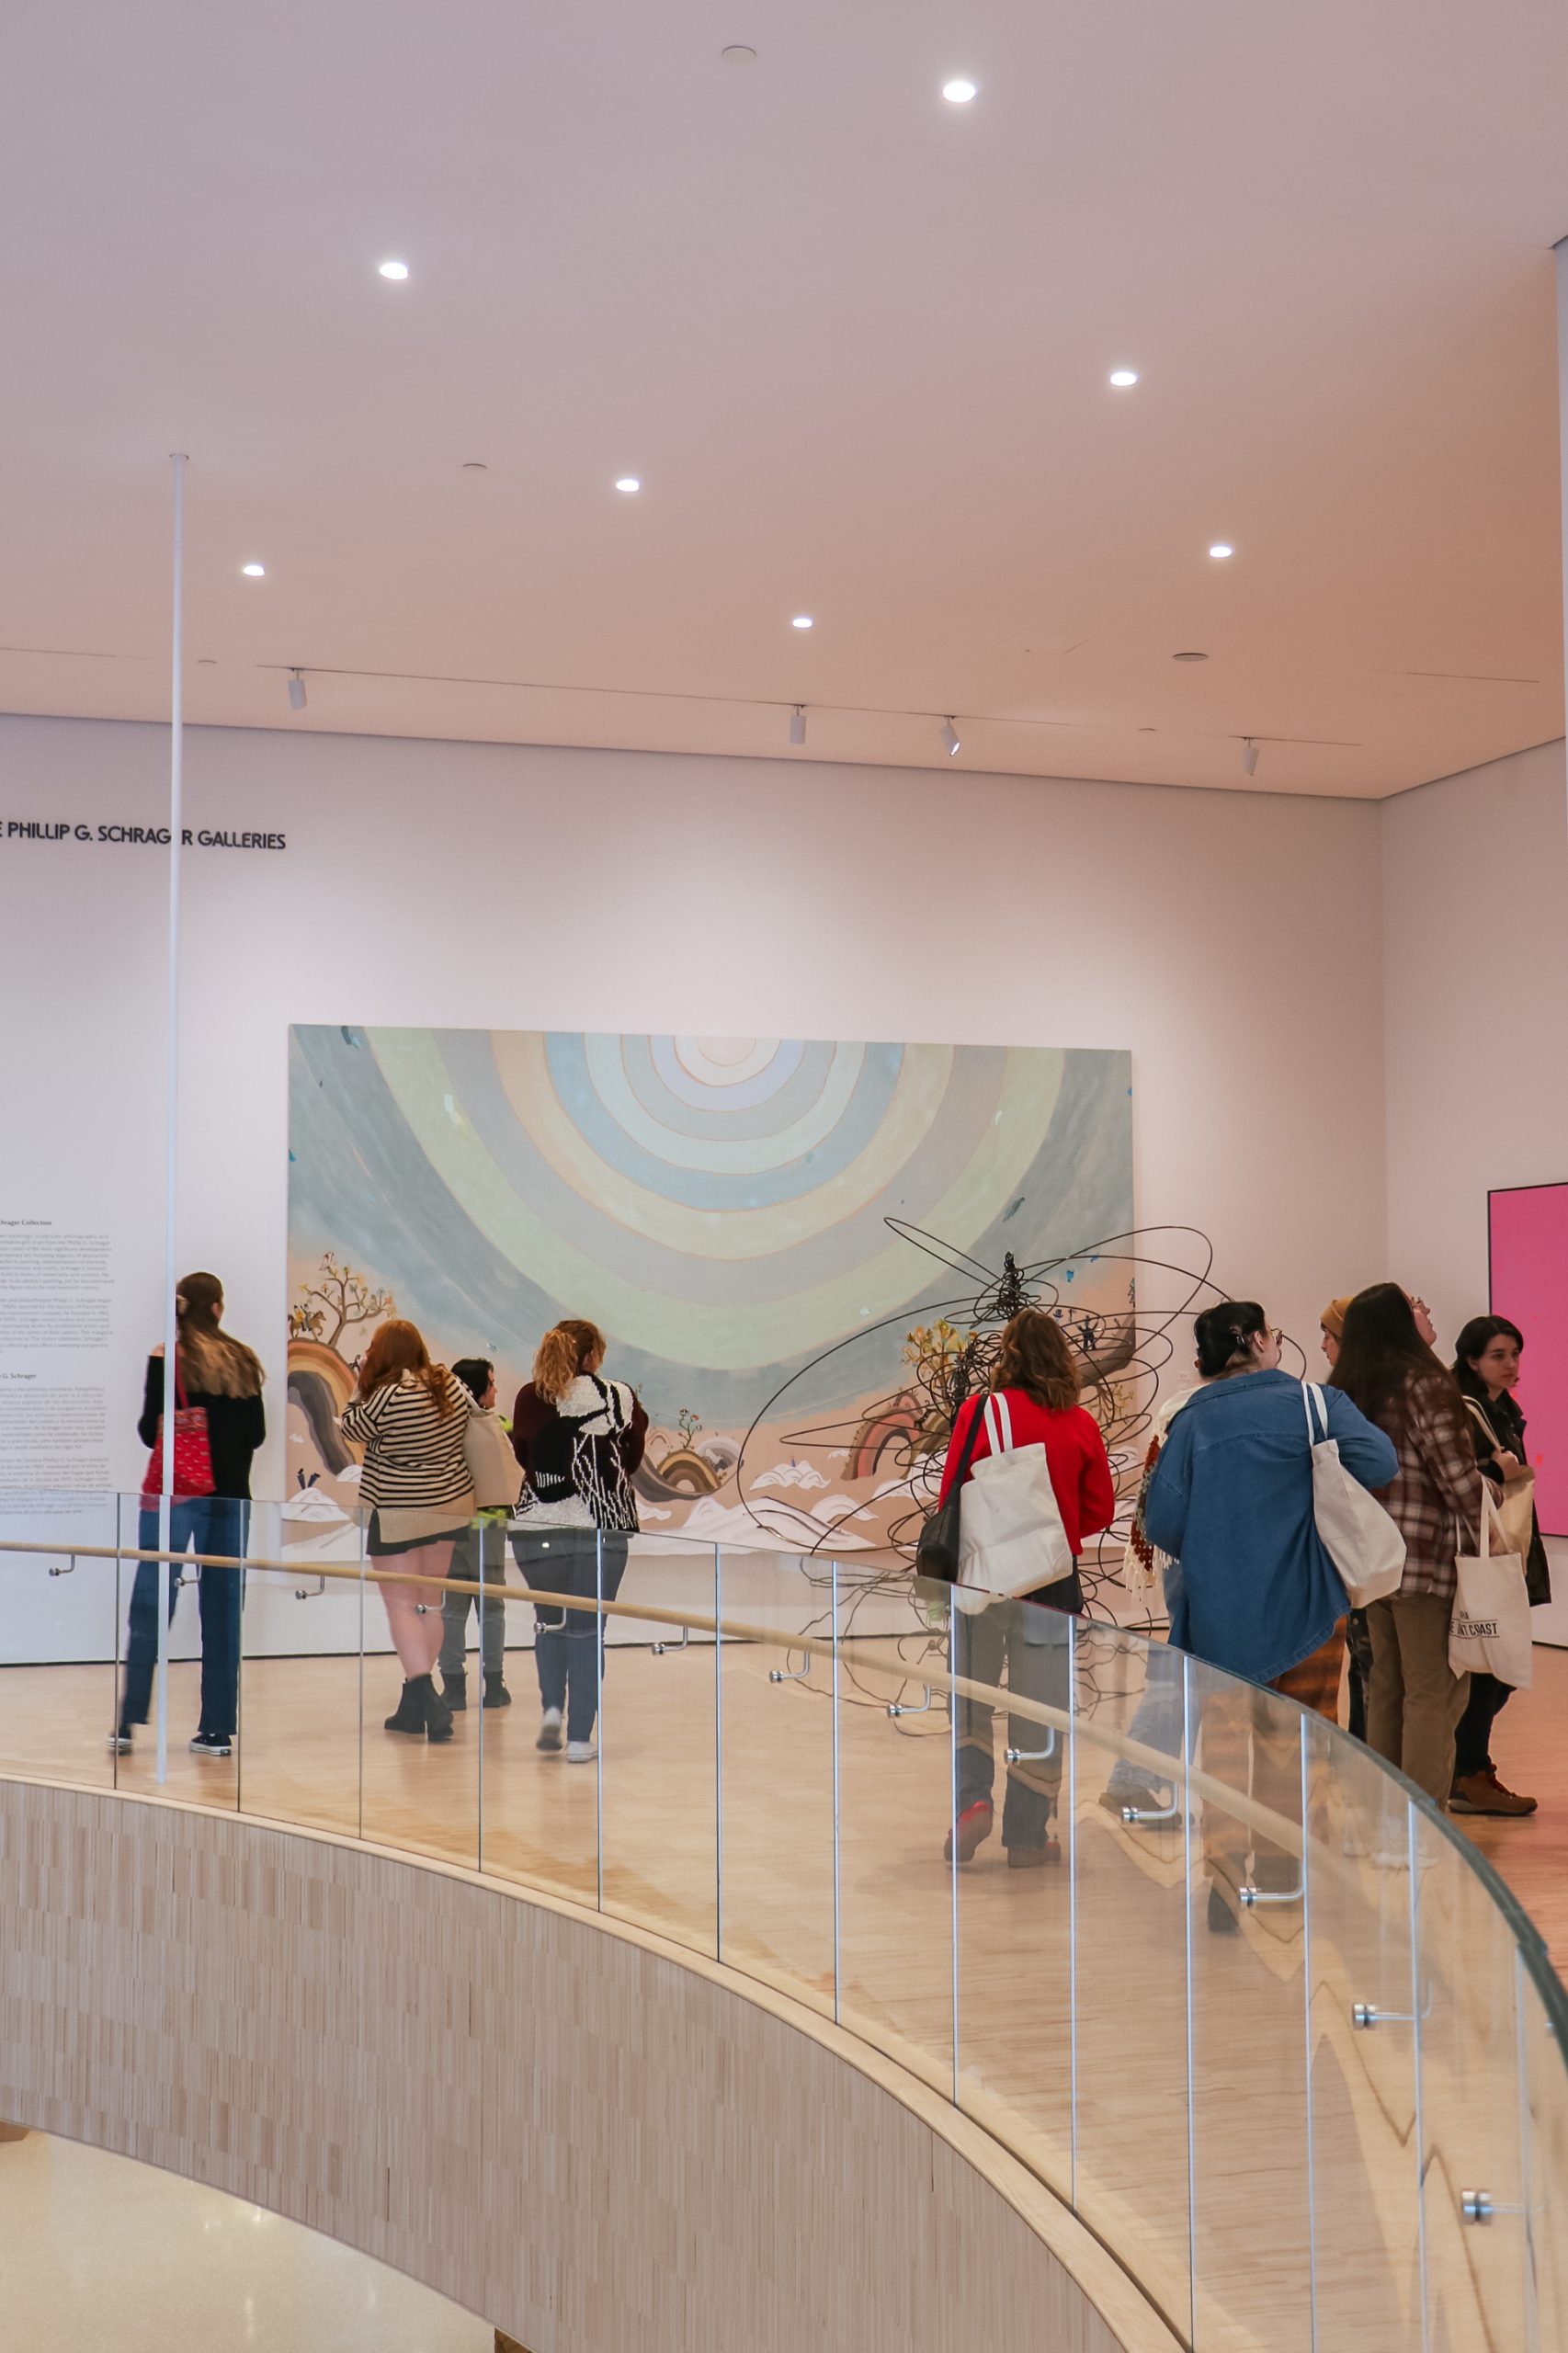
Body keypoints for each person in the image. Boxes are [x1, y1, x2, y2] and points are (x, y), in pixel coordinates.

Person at [1143, 1302, 1397, 1929]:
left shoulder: (1192, 1423)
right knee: (1300, 1742)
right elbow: (1381, 1463)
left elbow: (1163, 1522)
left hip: (1221, 1616)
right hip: (1310, 1609)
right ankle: (1284, 1878)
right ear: (1257, 1341)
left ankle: (1225, 1885)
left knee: (1227, 1746)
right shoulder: (1316, 1406)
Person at [937, 1307, 1117, 1871]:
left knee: (973, 1693)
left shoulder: (980, 1412)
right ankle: (1027, 1835)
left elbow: (952, 1497)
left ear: (1007, 1355)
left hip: (984, 1580)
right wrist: (1052, 1534)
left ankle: (973, 1803)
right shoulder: (1080, 1424)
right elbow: (1100, 1509)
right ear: (1061, 1358)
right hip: (1053, 1585)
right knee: (1039, 1710)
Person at [1328, 1283, 1488, 1809]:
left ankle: (1384, 1817)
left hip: (1372, 1560)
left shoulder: (1349, 1387)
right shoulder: (1425, 1383)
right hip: (1425, 1558)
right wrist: (1495, 1495)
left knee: (1387, 1686)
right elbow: (1457, 1479)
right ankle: (1423, 1824)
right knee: (1432, 1693)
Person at [114, 1273, 265, 1758]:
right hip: (231, 1500)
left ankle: (127, 1721)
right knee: (223, 1614)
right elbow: (257, 1434)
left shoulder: (166, 1357)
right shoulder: (243, 1361)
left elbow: (146, 1431)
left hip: (175, 1498)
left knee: (152, 1603)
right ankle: (216, 1730)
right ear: (218, 1308)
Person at [508, 1319, 648, 1762]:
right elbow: (632, 1458)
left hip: (536, 1528)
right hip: (599, 1530)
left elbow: (524, 1456)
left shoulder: (529, 1397)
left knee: (550, 1623)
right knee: (588, 1631)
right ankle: (580, 1739)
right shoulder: (619, 1396)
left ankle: (552, 1710)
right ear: (591, 1357)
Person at [340, 1319, 485, 1743]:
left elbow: (351, 1429)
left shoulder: (384, 1395)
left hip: (398, 1506)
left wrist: (360, 1381)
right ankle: (415, 1702)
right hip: (449, 1505)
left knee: (401, 1606)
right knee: (430, 1604)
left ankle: (424, 1694)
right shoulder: (452, 1387)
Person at [1449, 1314, 1551, 1816]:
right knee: (1488, 1666)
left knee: (1499, 1666)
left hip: (1504, 1550)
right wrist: (1496, 1469)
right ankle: (1467, 1771)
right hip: (1479, 1555)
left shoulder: (1501, 1409)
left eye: (1515, 1354)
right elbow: (1455, 1480)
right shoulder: (1464, 1411)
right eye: (1498, 1356)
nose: (1511, 1365)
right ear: (1471, 1360)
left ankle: (1466, 1766)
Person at [437, 1358, 513, 1712]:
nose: (496, 1389)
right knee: (492, 1605)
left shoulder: (441, 1424)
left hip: (451, 1522)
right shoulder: (496, 1426)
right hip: (490, 1522)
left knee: (452, 1608)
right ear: (477, 1390)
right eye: (492, 1383)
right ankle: (494, 1685)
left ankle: (453, 1687)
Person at [1320, 1295, 1374, 1742]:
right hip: (1359, 1549)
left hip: (1362, 1547)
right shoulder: (1340, 1399)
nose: (1323, 1346)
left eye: (1330, 1336)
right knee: (1365, 1666)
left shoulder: (1346, 1398)